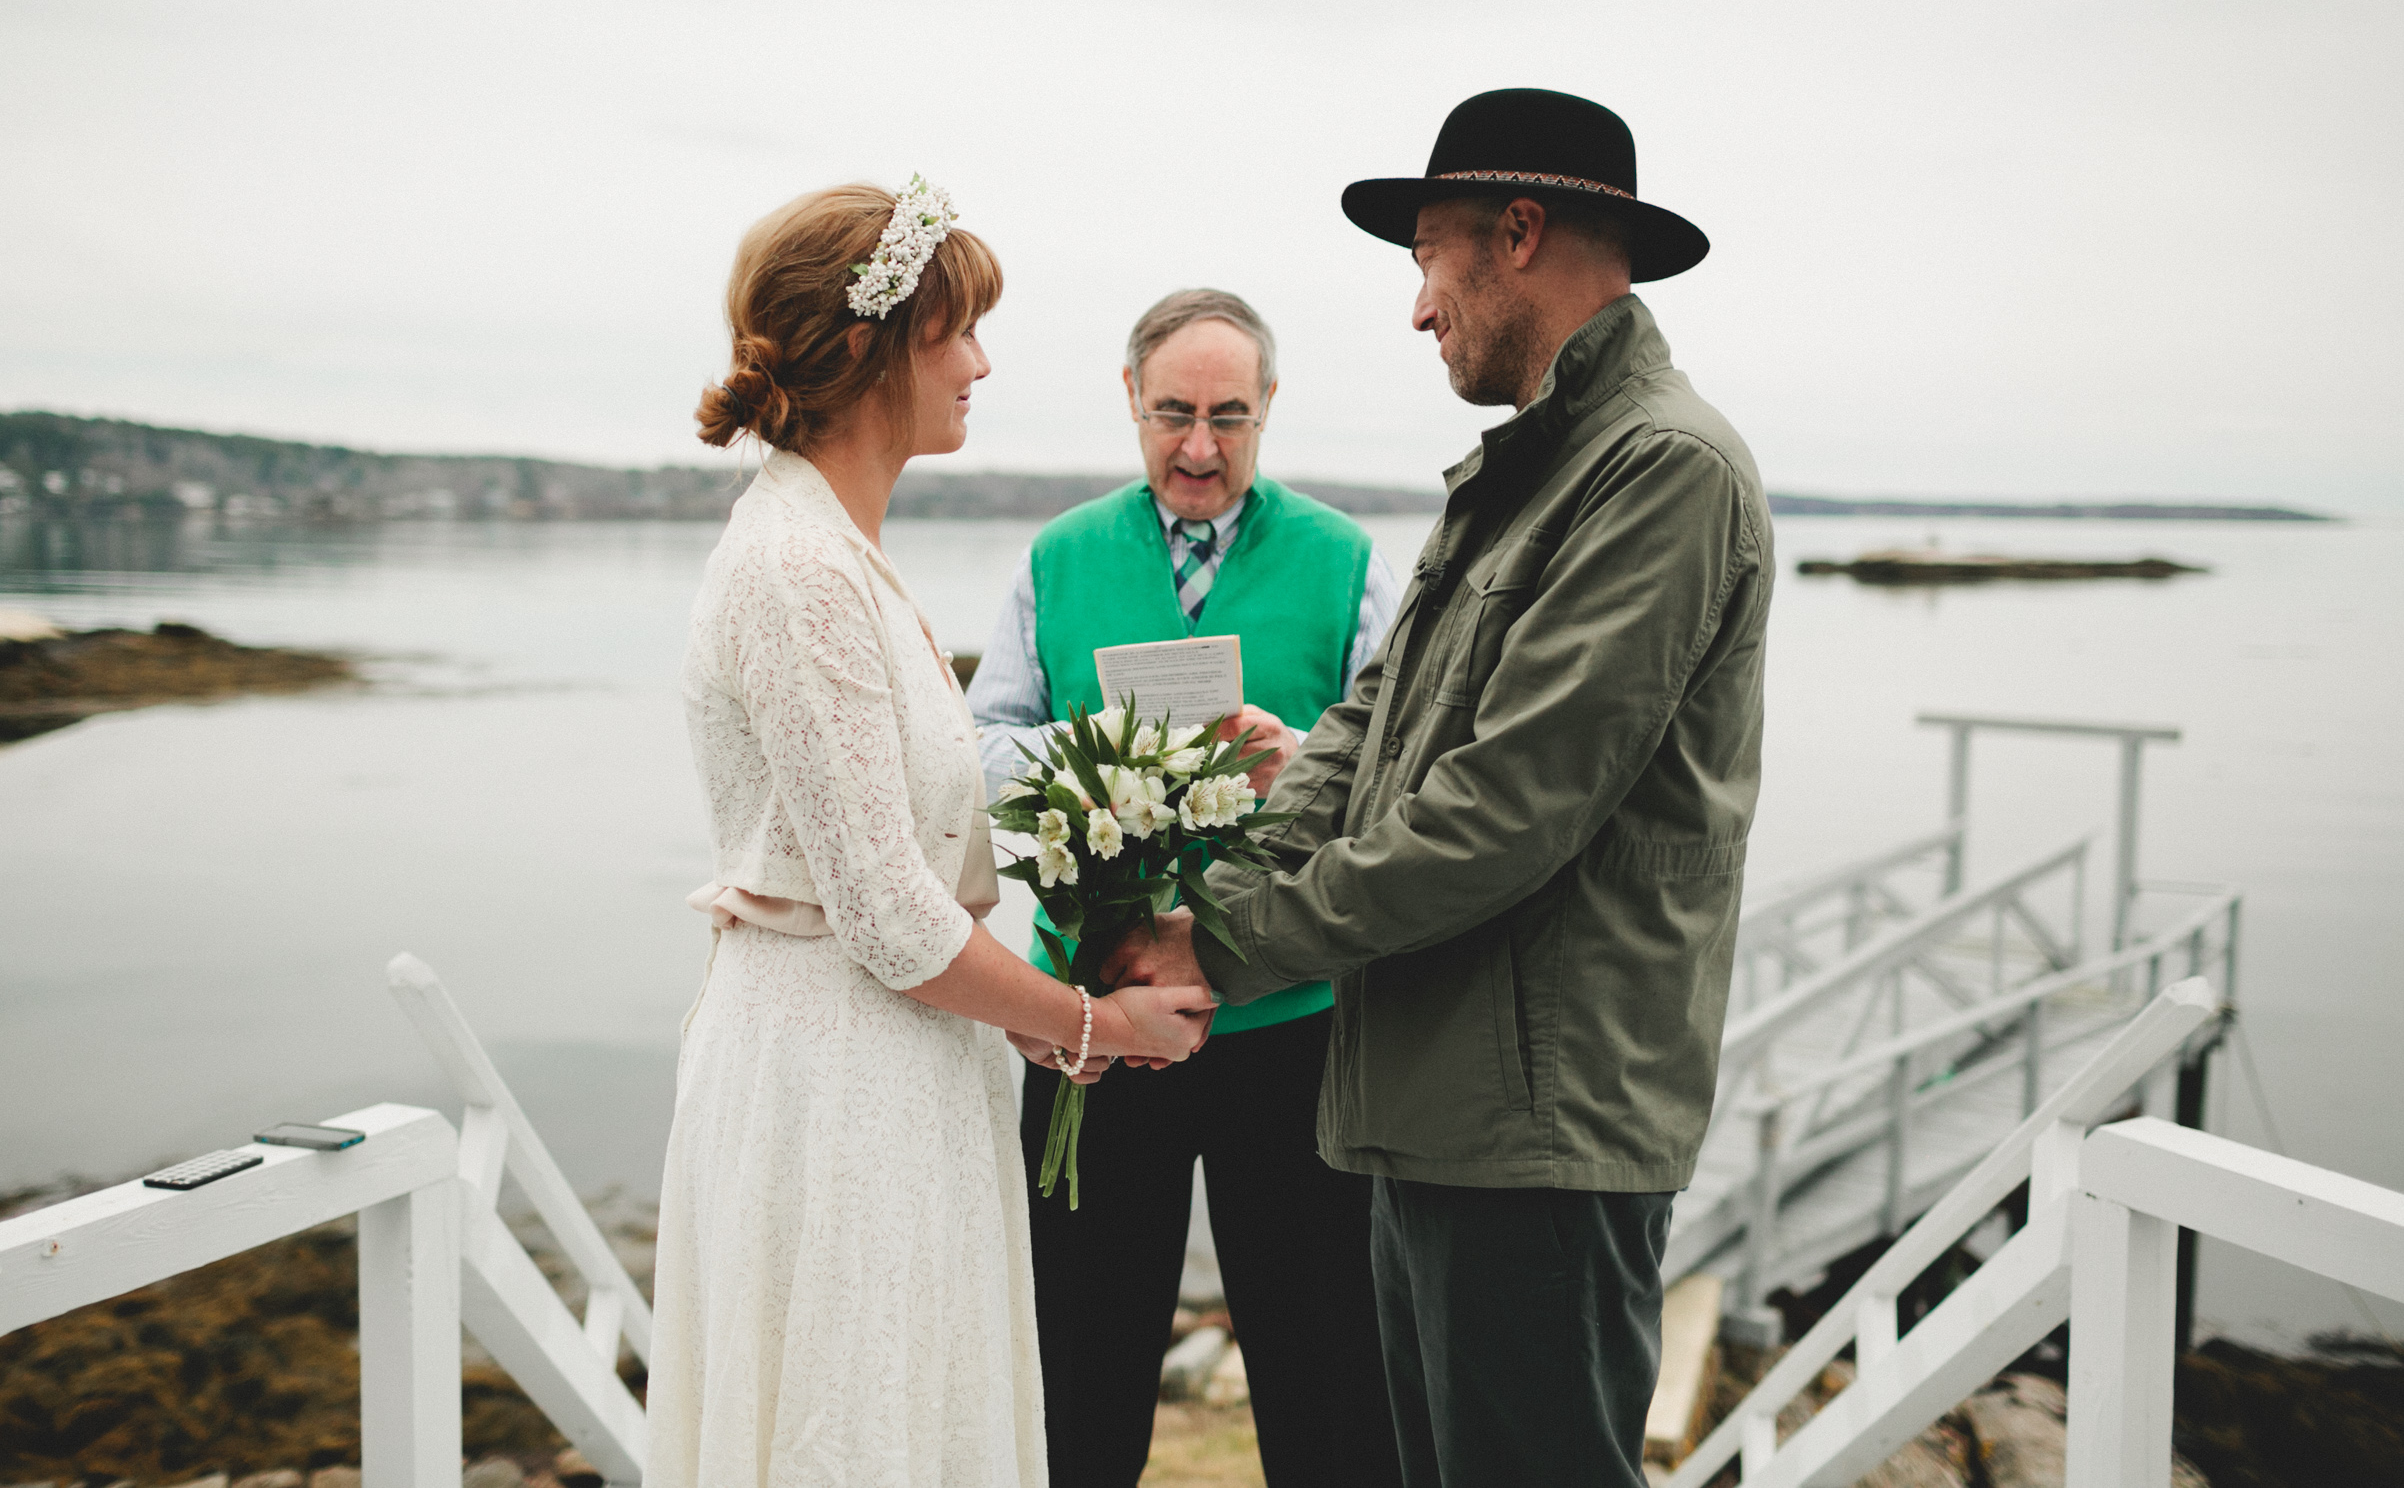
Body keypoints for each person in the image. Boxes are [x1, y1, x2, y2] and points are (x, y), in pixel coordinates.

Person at [1110, 90, 1774, 1488]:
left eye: (1427, 256)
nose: (1418, 309)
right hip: (1429, 1103)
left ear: (1518, 232)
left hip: (1538, 1128)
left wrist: (1215, 950)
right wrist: (1219, 897)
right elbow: (1362, 733)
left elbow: (1499, 816)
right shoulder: (1519, 472)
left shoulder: (1660, 470)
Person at [647, 179, 1215, 1488]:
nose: (981, 360)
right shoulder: (796, 570)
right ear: (872, 348)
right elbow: (892, 914)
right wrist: (1092, 1021)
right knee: (853, 1434)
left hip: (900, 1071)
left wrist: (1010, 1014)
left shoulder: (839, 554)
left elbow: (904, 867)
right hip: (832, 1089)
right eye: (957, 328)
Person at [966, 286, 1405, 1488]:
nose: (1198, 446)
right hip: (1094, 1029)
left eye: (1227, 416)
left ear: (1268, 410)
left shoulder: (1349, 559)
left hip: (1292, 1025)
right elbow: (979, 741)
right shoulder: (1056, 557)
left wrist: (1299, 753)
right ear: (1130, 400)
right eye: (1172, 413)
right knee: (1076, 1351)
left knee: (1323, 1358)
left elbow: (1401, 774)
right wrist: (1100, 756)